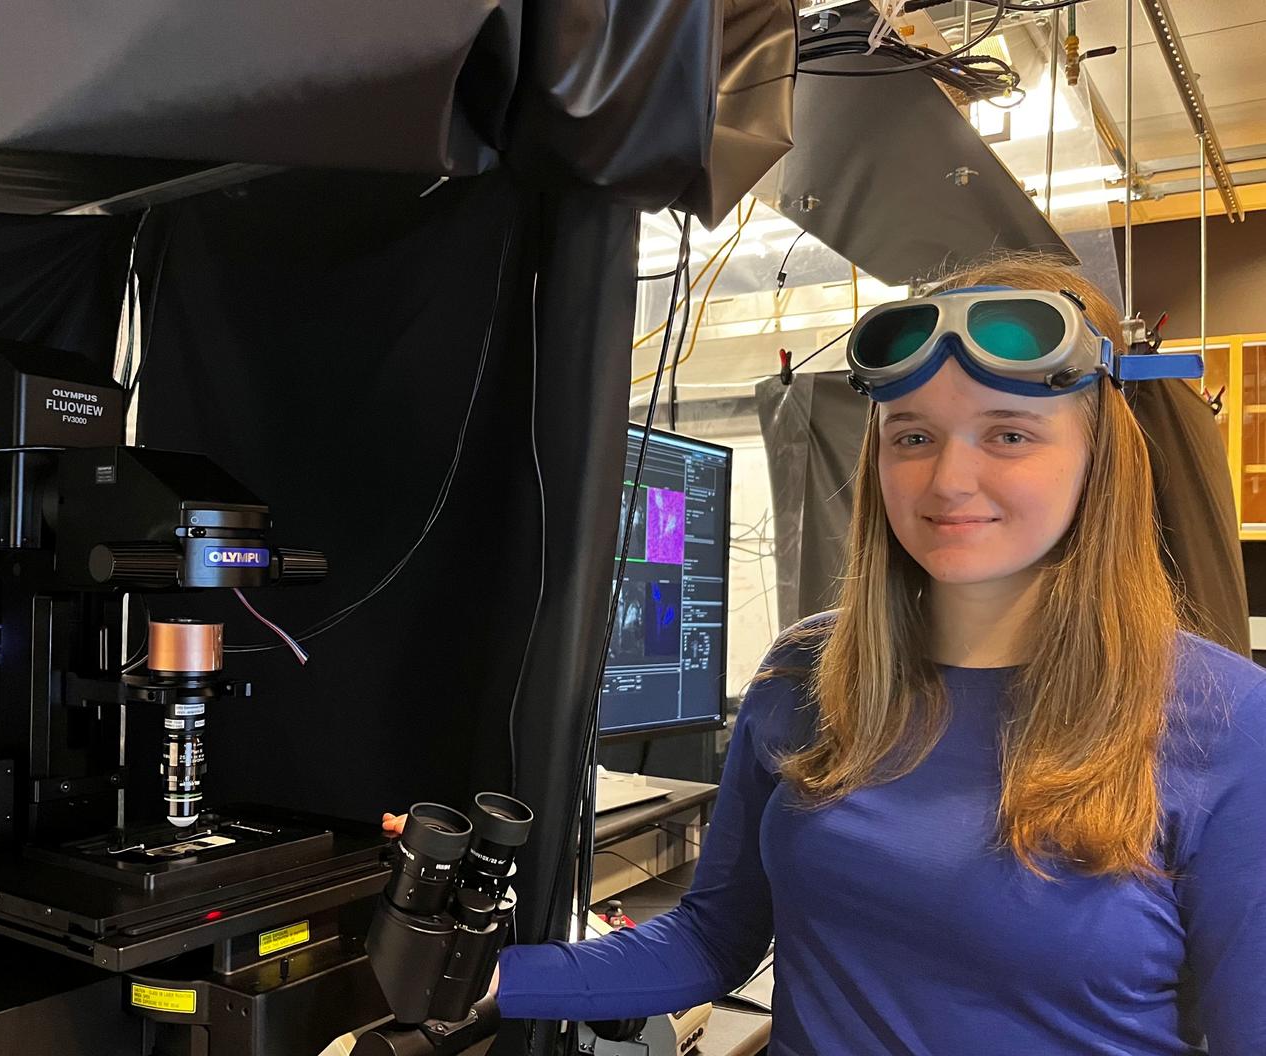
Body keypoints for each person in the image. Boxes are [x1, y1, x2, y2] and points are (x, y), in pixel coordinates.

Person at [386, 256, 1266, 1055]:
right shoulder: (807, 674)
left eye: (1009, 434)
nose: (949, 480)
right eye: (913, 436)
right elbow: (713, 940)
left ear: (1100, 459)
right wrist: (495, 976)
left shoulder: (1228, 722)